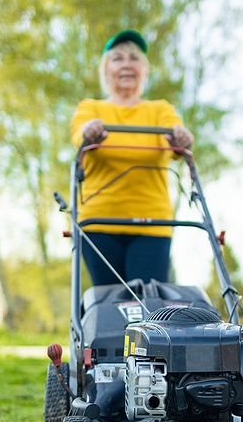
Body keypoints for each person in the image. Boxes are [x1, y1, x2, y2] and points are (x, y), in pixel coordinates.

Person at [70, 29, 195, 286]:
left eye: (134, 58)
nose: (127, 64)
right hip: (99, 223)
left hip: (152, 224)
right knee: (108, 299)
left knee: (150, 302)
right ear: (106, 70)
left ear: (144, 70)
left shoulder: (160, 109)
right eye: (118, 59)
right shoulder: (91, 108)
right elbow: (78, 136)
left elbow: (179, 140)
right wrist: (89, 132)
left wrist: (182, 139)